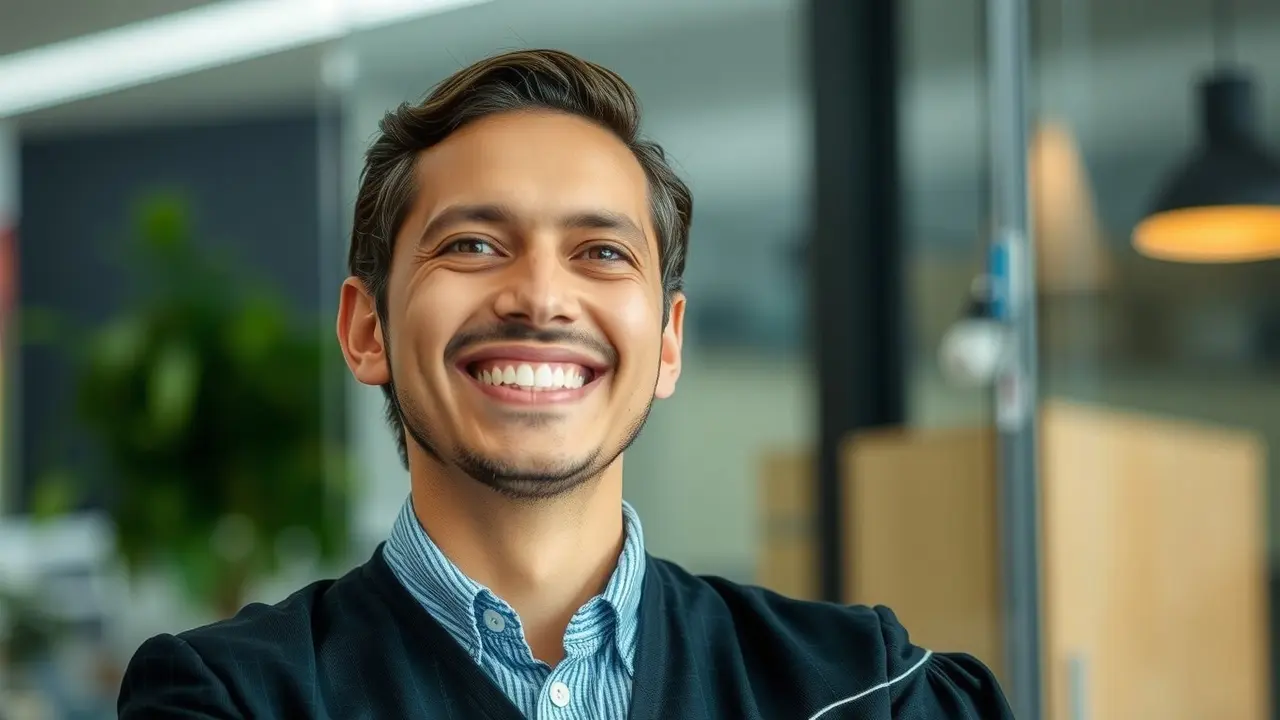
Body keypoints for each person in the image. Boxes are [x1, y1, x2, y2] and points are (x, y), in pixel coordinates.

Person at [117, 49, 1013, 719]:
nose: (541, 297)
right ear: (366, 329)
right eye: (472, 244)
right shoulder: (229, 699)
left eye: (602, 253)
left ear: (667, 344)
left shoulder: (872, 690)